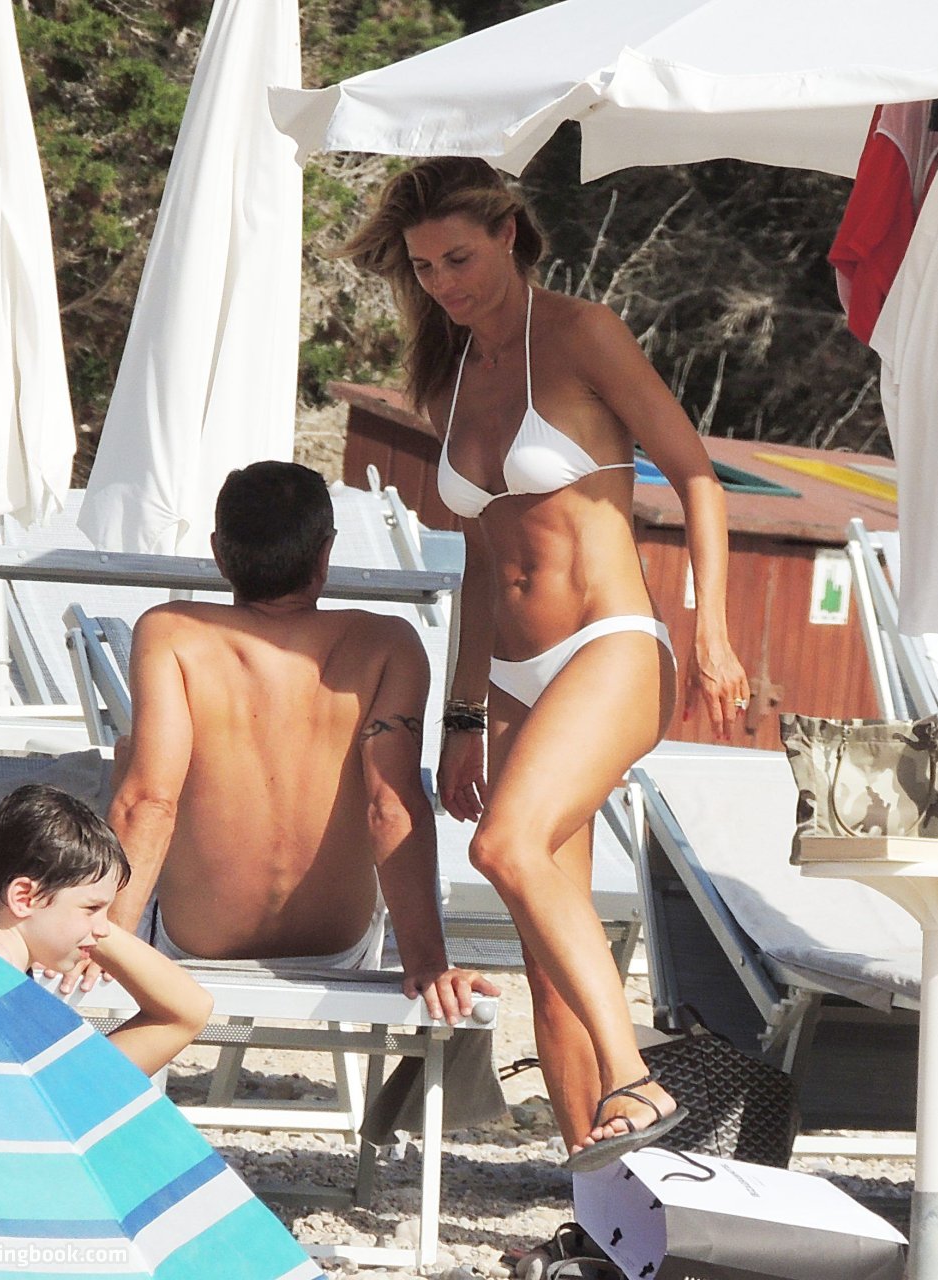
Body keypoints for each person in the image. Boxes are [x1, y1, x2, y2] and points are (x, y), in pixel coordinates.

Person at [343, 157, 749, 1170]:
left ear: (510, 233)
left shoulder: (580, 334)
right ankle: (599, 1208)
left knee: (504, 846)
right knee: (544, 959)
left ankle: (634, 1076)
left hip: (610, 644)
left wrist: (711, 630)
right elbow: (483, 564)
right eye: (424, 267)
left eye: (459, 258)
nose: (443, 283)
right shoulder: (447, 376)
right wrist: (461, 716)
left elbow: (695, 475)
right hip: (511, 674)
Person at [99, 461, 497, 1025]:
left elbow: (149, 803)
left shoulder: (171, 632)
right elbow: (391, 806)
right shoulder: (388, 643)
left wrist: (100, 944)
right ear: (325, 552)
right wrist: (430, 964)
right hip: (335, 948)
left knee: (130, 760)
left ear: (219, 552)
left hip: (195, 944)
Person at [0, 783, 212, 1077]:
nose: (104, 930)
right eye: (92, 908)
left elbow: (190, 1009)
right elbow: (187, 1012)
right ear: (24, 898)